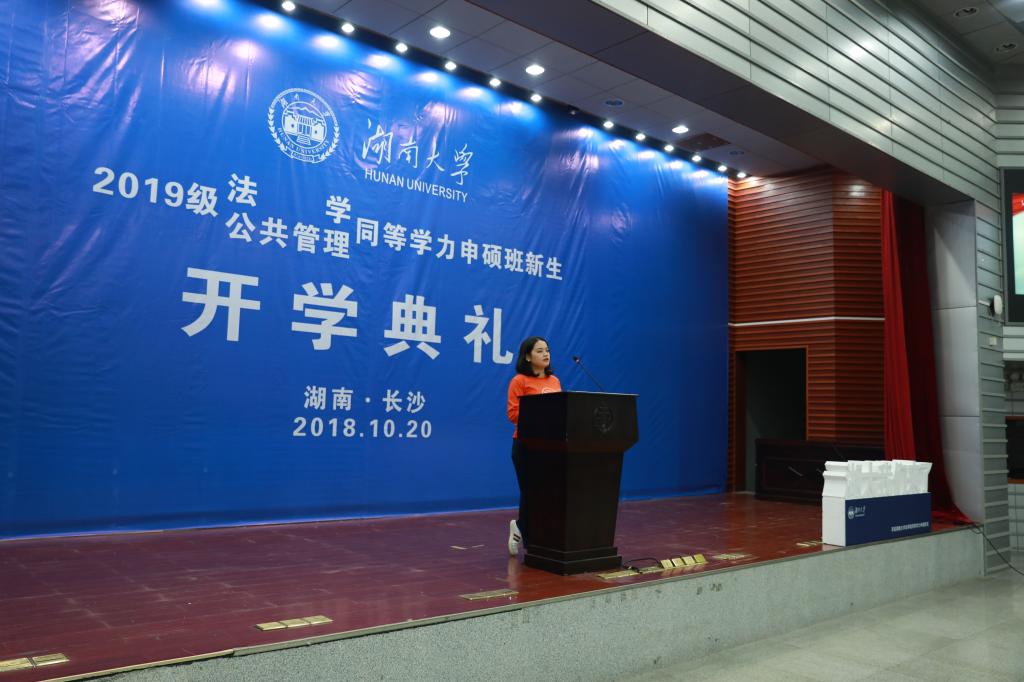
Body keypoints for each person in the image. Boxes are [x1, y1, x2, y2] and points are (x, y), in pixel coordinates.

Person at [506, 336, 561, 556]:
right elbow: (512, 414)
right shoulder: (519, 381)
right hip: (526, 445)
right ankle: (531, 540)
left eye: (547, 350)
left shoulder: (554, 381)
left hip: (551, 446)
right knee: (531, 492)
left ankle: (524, 529)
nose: (546, 354)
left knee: (547, 493)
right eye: (539, 351)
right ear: (528, 356)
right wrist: (539, 412)